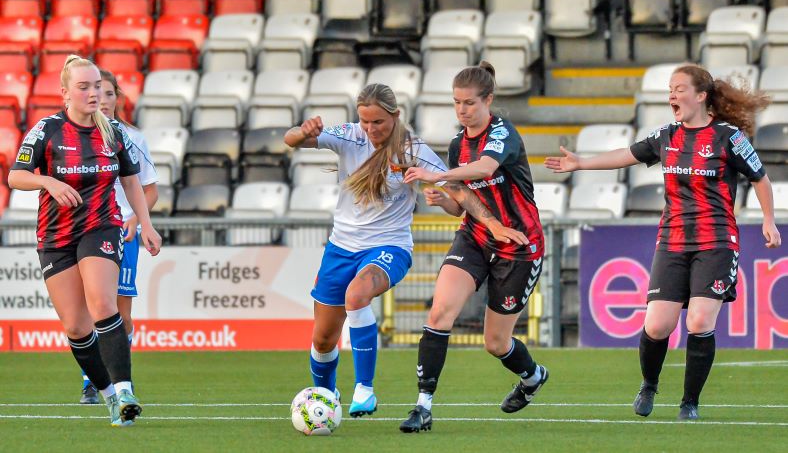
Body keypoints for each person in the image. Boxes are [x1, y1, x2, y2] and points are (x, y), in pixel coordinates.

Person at [545, 64, 781, 420]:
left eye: (680, 89)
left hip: (717, 241)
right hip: (672, 241)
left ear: (701, 96)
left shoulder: (728, 137)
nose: (672, 95)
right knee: (657, 326)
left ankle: (689, 402)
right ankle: (650, 384)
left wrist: (768, 219)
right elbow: (627, 155)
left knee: (699, 322)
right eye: (670, 89)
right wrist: (582, 164)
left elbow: (760, 179)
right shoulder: (666, 135)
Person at [284, 83, 524, 418]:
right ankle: (325, 396)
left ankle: (364, 390)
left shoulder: (414, 151)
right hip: (341, 247)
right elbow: (292, 140)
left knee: (357, 296)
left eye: (378, 122)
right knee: (323, 339)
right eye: (365, 122)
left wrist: (491, 222)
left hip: (389, 246)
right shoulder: (349, 135)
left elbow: (458, 191)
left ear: (395, 117)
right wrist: (301, 130)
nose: (371, 129)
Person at [8, 55, 162, 426]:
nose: (94, 93)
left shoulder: (114, 131)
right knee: (76, 327)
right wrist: (48, 181)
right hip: (56, 235)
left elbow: (130, 181)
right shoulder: (46, 130)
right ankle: (109, 396)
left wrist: (147, 223)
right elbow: (16, 176)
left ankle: (125, 389)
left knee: (103, 302)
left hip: (101, 226)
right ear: (65, 93)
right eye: (84, 87)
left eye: (97, 86)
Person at [399, 61, 547, 433]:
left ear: (488, 100)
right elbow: (463, 199)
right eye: (456, 103)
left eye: (469, 103)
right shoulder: (456, 144)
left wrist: (438, 175)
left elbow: (483, 169)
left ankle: (532, 377)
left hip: (518, 246)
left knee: (496, 343)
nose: (462, 110)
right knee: (439, 314)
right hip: (476, 237)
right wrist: (444, 199)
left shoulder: (503, 134)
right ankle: (423, 406)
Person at [78, 69, 159, 404]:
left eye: (110, 93)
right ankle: (91, 381)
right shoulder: (75, 136)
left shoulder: (132, 138)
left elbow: (149, 191)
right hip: (87, 232)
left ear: (117, 98)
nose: (104, 99)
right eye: (99, 91)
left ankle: (122, 379)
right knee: (91, 310)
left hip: (124, 235)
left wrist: (135, 220)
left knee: (120, 313)